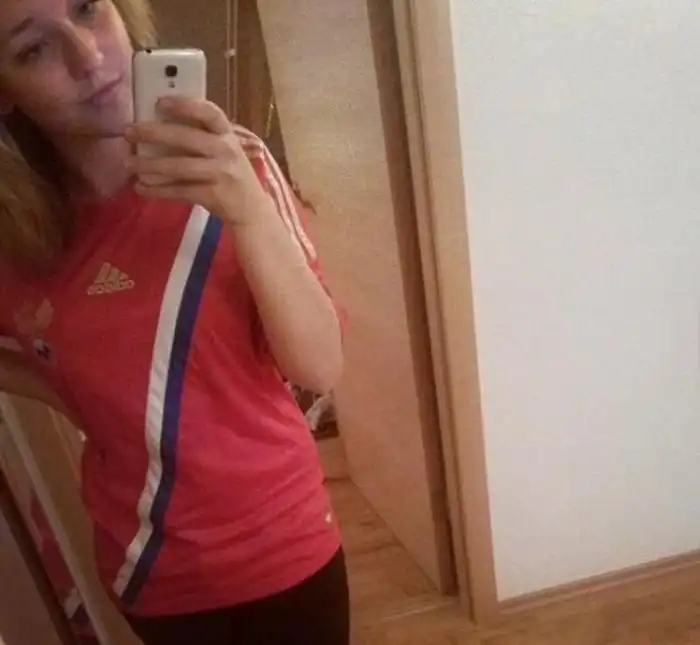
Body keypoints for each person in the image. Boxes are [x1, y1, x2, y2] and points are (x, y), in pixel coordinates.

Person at [0, 1, 349, 644]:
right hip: (147, 570)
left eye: (87, 9)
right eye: (33, 49)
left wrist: (246, 211)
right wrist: (63, 391)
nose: (88, 56)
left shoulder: (234, 164)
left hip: (282, 548)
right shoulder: (16, 237)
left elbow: (318, 366)